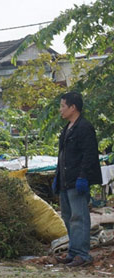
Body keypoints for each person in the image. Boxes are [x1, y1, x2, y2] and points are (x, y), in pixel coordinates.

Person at [52, 92, 102, 267]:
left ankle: (83, 254)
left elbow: (89, 155)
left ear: (73, 107)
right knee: (67, 216)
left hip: (78, 181)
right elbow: (63, 156)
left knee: (79, 217)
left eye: (62, 106)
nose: (60, 110)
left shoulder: (84, 127)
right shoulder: (68, 128)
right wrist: (57, 178)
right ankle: (73, 252)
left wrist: (83, 177)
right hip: (66, 181)